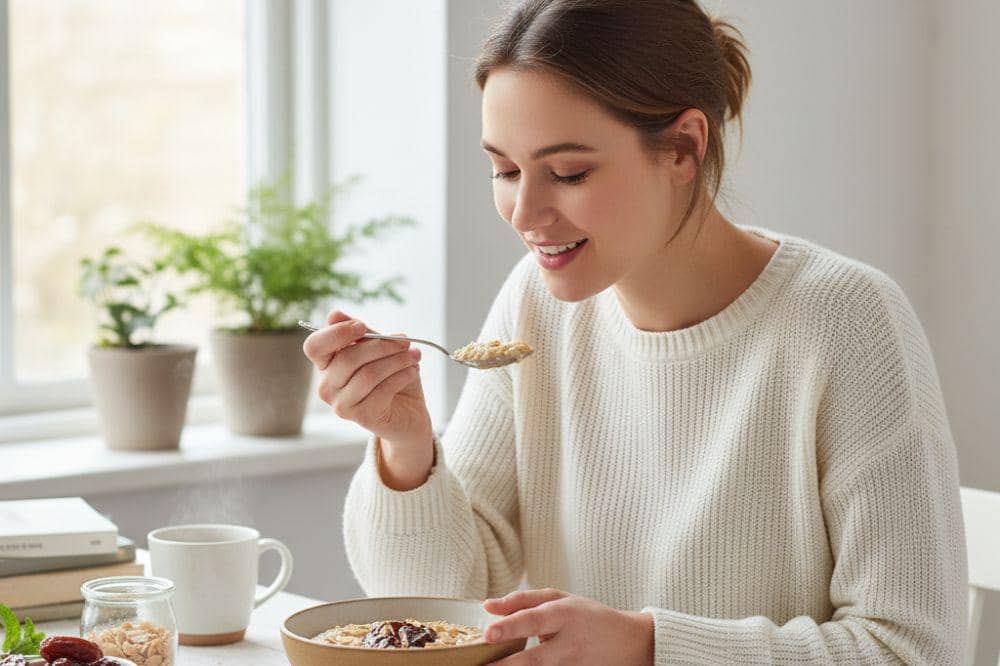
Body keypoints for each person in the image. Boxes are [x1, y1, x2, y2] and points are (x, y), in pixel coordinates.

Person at [302, 1, 967, 663]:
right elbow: (439, 602)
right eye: (505, 170)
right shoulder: (536, 305)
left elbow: (911, 651)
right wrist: (405, 446)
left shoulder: (846, 322)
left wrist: (649, 647)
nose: (524, 213)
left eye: (567, 173)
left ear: (684, 147)